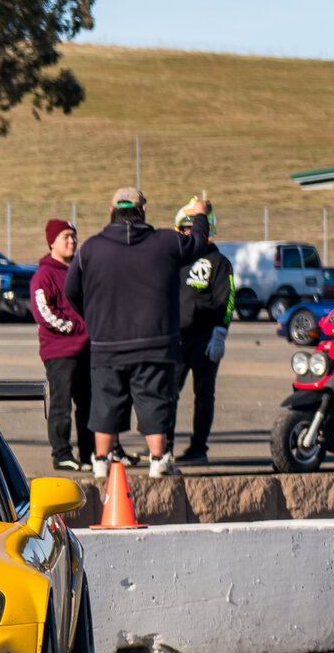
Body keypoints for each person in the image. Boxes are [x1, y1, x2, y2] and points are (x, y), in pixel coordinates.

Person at [66, 185, 211, 480]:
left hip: (106, 343)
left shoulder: (90, 249)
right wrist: (200, 215)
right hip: (156, 343)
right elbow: (198, 244)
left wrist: (94, 320)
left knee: (105, 403)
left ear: (111, 213)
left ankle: (101, 461)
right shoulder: (167, 242)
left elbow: (72, 291)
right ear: (143, 211)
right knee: (155, 400)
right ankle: (159, 460)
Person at [174, 202, 235, 465]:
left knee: (204, 394)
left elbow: (228, 298)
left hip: (206, 339)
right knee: (167, 393)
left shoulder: (219, 262)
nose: (189, 234)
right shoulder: (174, 259)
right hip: (175, 338)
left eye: (194, 229)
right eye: (184, 230)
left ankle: (199, 448)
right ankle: (162, 446)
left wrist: (220, 332)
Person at [32, 218, 94, 471]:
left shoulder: (80, 271)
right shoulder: (44, 275)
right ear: (52, 243)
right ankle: (62, 453)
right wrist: (76, 327)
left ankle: (90, 454)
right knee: (61, 404)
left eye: (74, 236)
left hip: (88, 350)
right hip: (60, 352)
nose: (72, 241)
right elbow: (43, 312)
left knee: (89, 404)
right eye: (66, 237)